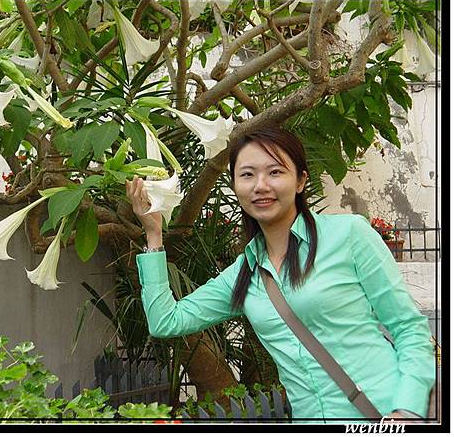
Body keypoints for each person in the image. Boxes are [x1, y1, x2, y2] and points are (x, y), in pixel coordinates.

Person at [125, 126, 435, 423]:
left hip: (385, 414)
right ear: (235, 185)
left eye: (275, 172)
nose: (260, 185)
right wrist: (154, 236)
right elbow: (167, 321)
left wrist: (406, 410)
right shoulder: (243, 273)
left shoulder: (349, 234)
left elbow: (408, 327)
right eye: (247, 175)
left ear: (300, 181)